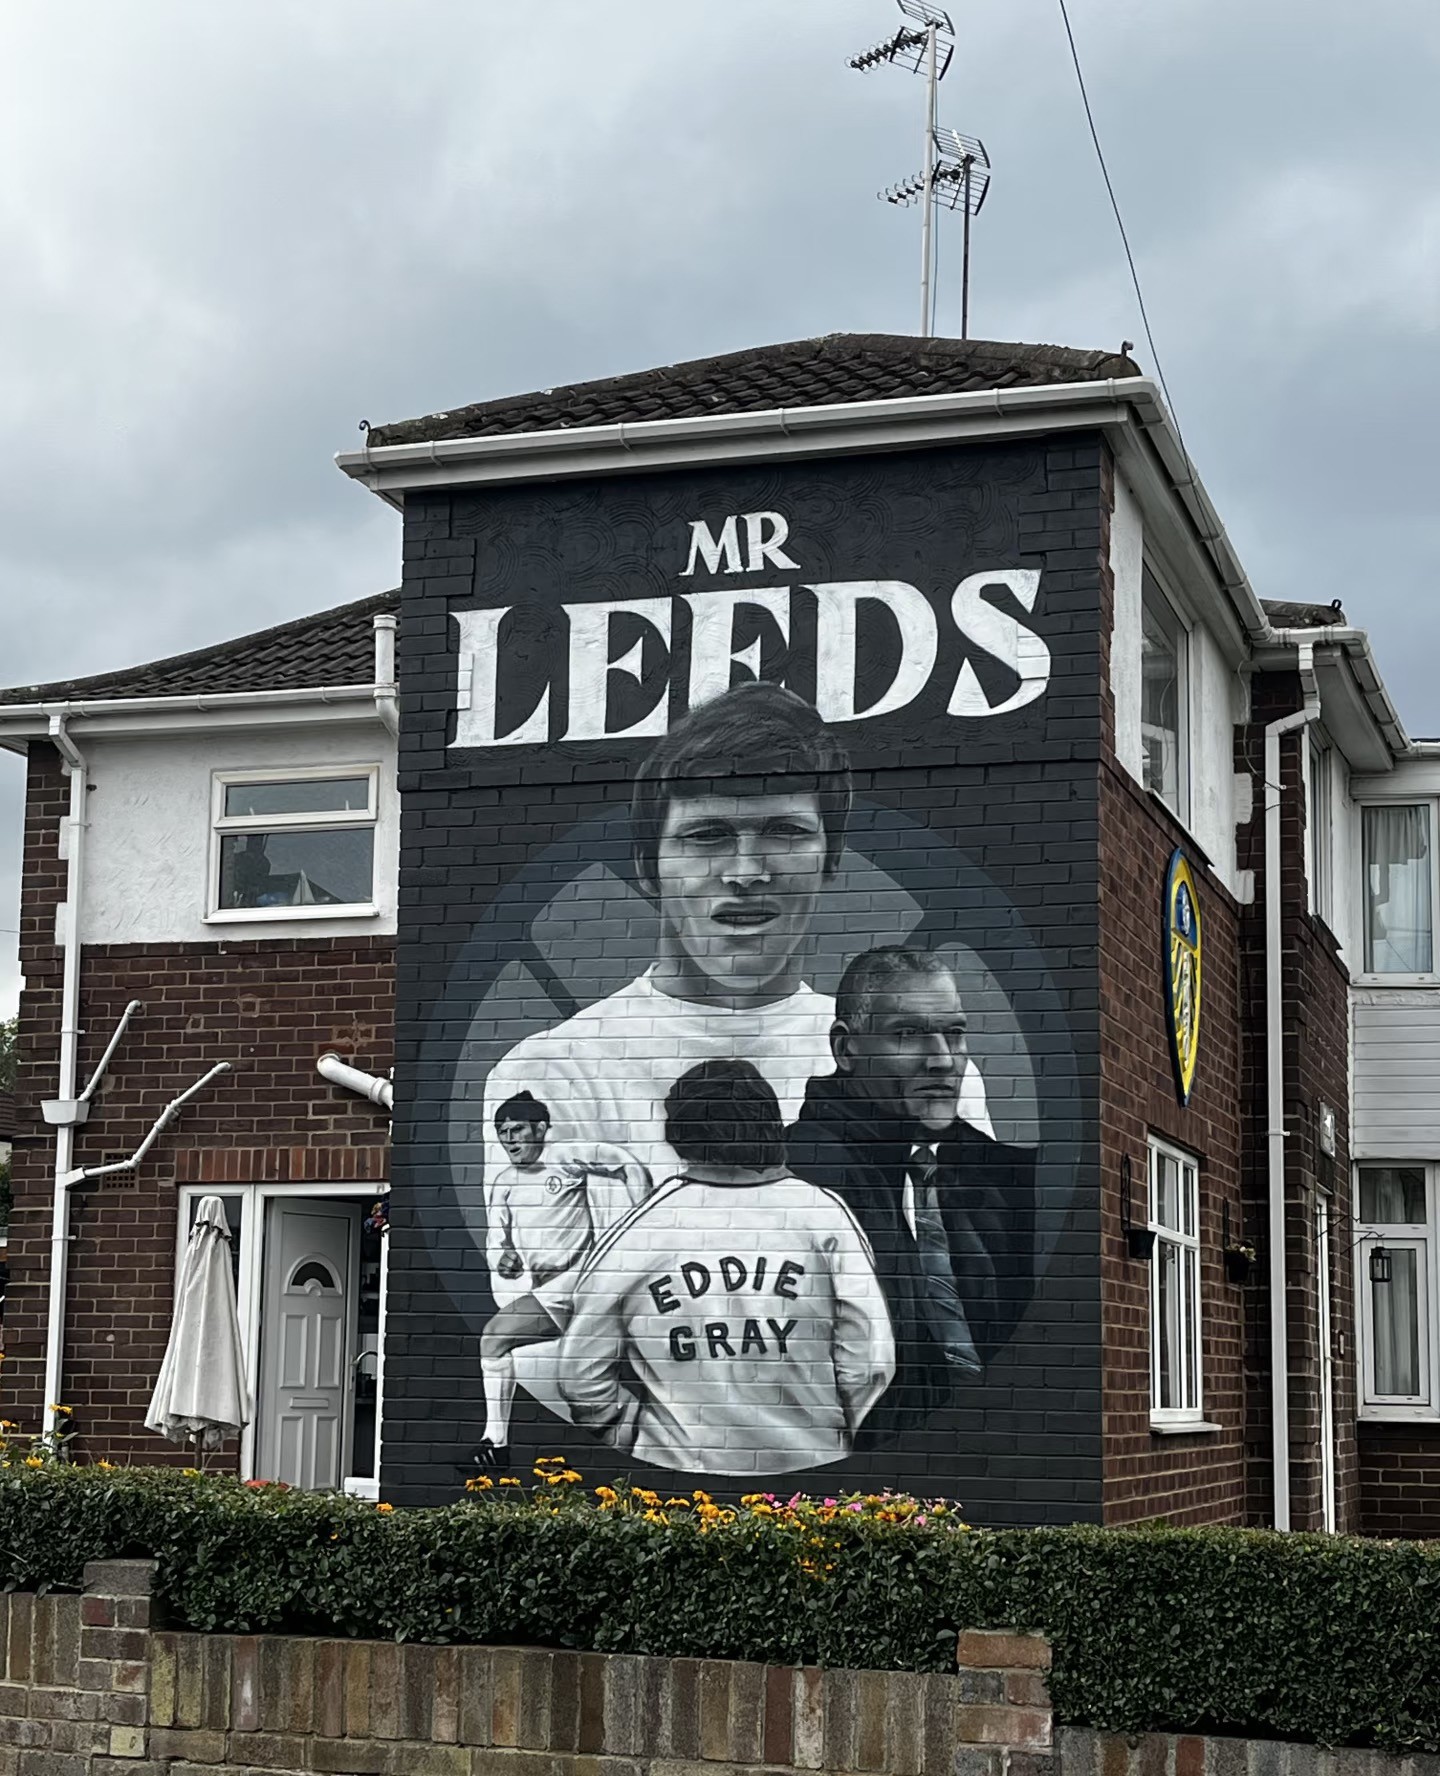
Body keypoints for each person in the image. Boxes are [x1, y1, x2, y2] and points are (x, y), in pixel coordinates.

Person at [481, 680, 868, 1190]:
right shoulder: (552, 1072)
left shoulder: (904, 1061)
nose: (746, 872)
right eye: (707, 836)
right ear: (648, 865)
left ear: (832, 858)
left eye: (785, 832)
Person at [556, 1058, 894, 1475]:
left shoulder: (638, 1232)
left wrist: (638, 1440)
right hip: (812, 1471)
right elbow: (870, 1360)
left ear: (679, 1136)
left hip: (679, 1477)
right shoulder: (823, 1216)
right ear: (770, 1125)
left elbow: (580, 1376)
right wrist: (845, 1438)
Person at [787, 946, 1035, 1445]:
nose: (942, 1059)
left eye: (954, 1033)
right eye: (908, 1034)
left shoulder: (999, 1175)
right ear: (846, 1048)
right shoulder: (798, 1179)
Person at [474, 1091, 649, 1465]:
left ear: (540, 1129)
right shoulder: (504, 1183)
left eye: (517, 1130)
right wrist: (504, 1259)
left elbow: (625, 1164)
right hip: (547, 1287)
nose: (510, 1140)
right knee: (596, 1375)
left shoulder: (564, 1158)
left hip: (579, 1280)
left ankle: (496, 1443)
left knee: (494, 1337)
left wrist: (641, 1220)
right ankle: (631, 1424)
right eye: (503, 1132)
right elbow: (497, 1242)